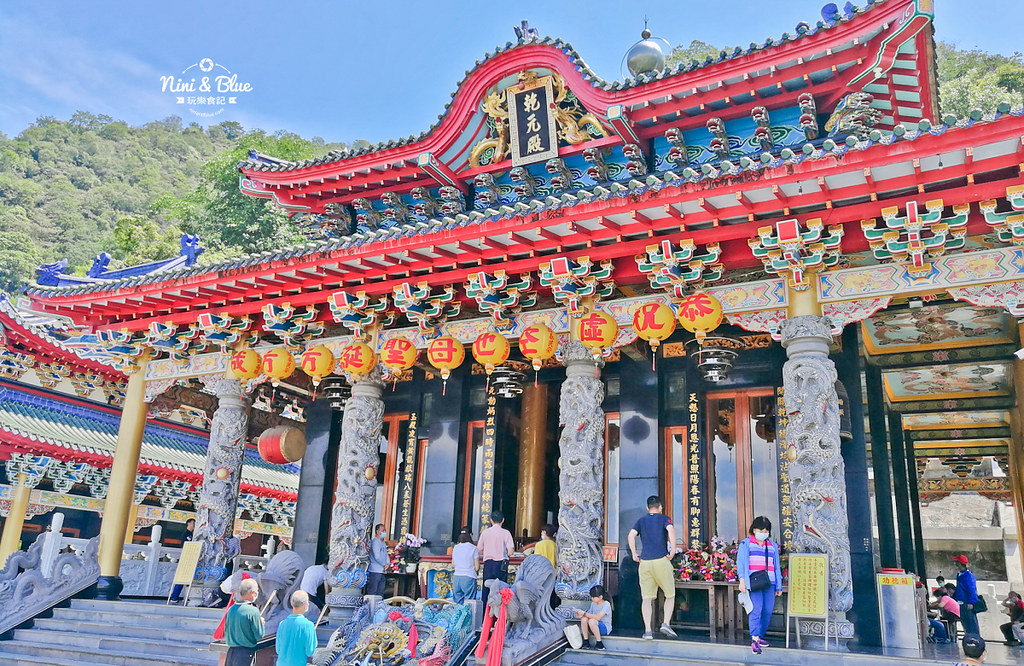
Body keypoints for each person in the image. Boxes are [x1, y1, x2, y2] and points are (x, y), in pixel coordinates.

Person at [627, 496, 678, 641]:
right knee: (670, 595)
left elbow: (631, 535)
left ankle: (648, 631)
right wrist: (673, 550)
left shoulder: (641, 520)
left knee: (646, 599)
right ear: (660, 507)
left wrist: (634, 553)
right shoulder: (664, 519)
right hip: (661, 560)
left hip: (645, 562)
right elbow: (671, 531)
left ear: (647, 508)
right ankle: (666, 623)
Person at [736, 516, 783, 655]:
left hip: (770, 582)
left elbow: (776, 566)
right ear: (754, 530)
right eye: (761, 530)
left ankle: (760, 635)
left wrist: (779, 585)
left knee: (767, 611)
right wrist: (742, 580)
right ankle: (755, 639)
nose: (763, 533)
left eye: (766, 530)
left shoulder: (772, 546)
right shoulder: (746, 544)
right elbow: (741, 564)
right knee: (756, 610)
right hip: (754, 583)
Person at [477, 510, 515, 608]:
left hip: (488, 565)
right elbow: (510, 552)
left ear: (491, 520)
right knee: (501, 590)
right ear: (503, 520)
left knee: (487, 589)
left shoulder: (485, 532)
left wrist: (487, 552)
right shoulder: (506, 533)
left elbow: (479, 550)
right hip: (501, 565)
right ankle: (500, 614)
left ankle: (485, 614)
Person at [224, 578, 264, 666]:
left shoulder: (230, 610)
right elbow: (259, 635)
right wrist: (260, 623)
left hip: (231, 652)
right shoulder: (253, 611)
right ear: (252, 592)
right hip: (245, 654)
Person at [275, 590, 318, 666]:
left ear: (291, 603)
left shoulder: (282, 624)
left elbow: (278, 650)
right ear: (306, 605)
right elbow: (310, 651)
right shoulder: (309, 625)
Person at [575, 584, 612, 650]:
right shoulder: (593, 604)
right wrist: (581, 615)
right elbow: (589, 615)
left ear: (600, 597)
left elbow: (598, 617)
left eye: (593, 597)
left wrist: (584, 613)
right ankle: (586, 641)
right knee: (584, 619)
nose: (592, 599)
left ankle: (599, 643)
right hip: (593, 626)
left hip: (604, 628)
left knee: (592, 621)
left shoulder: (606, 604)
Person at [953, 554, 980, 636]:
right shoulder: (959, 574)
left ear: (960, 564)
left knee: (971, 624)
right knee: (965, 624)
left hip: (967, 603)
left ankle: (975, 638)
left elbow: (972, 590)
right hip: (960, 603)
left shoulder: (968, 576)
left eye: (957, 563)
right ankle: (968, 637)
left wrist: (971, 602)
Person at [169, 518, 195, 603]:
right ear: (188, 524)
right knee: (182, 578)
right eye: (192, 523)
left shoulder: (193, 534)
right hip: (186, 558)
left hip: (191, 558)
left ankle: (187, 596)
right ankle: (174, 597)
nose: (194, 525)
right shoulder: (186, 534)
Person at [451, 531, 479, 604]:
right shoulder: (473, 548)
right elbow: (477, 567)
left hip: (457, 577)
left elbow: (453, 565)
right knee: (469, 603)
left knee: (457, 603)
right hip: (469, 577)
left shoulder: (455, 548)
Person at [366, 523, 388, 597]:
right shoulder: (375, 542)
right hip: (375, 570)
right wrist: (384, 564)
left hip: (382, 571)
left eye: (384, 530)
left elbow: (386, 555)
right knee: (373, 591)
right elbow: (377, 557)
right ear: (377, 532)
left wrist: (388, 563)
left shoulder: (383, 543)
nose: (384, 532)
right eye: (383, 530)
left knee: (380, 592)